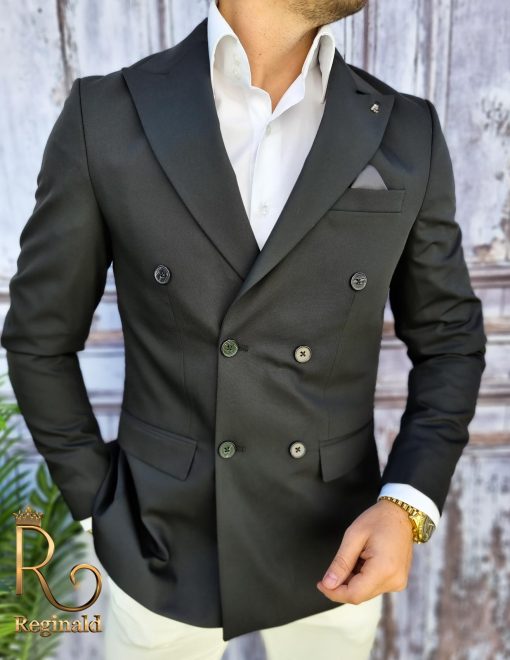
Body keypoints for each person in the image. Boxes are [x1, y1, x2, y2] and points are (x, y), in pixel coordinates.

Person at [1, 0, 487, 658]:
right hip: (160, 545)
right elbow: (39, 337)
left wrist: (406, 504)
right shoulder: (108, 116)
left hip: (339, 543)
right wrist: (97, 508)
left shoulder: (405, 129)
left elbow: (450, 340)